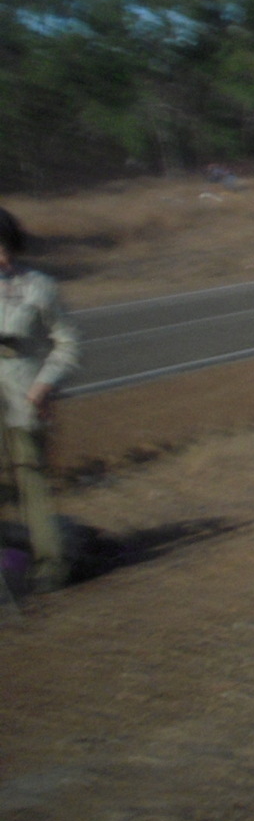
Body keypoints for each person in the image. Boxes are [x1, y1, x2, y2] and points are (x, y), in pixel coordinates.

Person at [0, 207, 79, 594]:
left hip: (23, 393)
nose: (1, 258)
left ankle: (51, 563)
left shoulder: (38, 286)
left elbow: (67, 344)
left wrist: (44, 386)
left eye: (5, 248)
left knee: (31, 479)